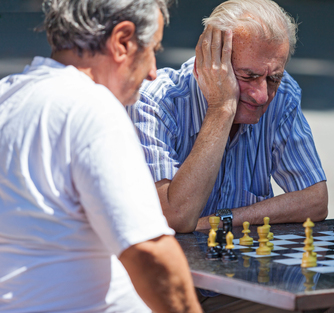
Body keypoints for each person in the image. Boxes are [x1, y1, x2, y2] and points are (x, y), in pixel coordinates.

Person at [0, 0, 201, 312]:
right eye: (153, 50)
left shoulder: (7, 96)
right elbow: (150, 252)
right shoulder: (91, 106)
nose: (152, 72)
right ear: (122, 41)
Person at [128, 0, 328, 233]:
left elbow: (315, 200)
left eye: (273, 78)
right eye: (248, 76)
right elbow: (173, 217)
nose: (262, 95)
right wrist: (221, 107)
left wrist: (224, 219)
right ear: (209, 64)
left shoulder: (283, 93)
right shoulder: (152, 102)